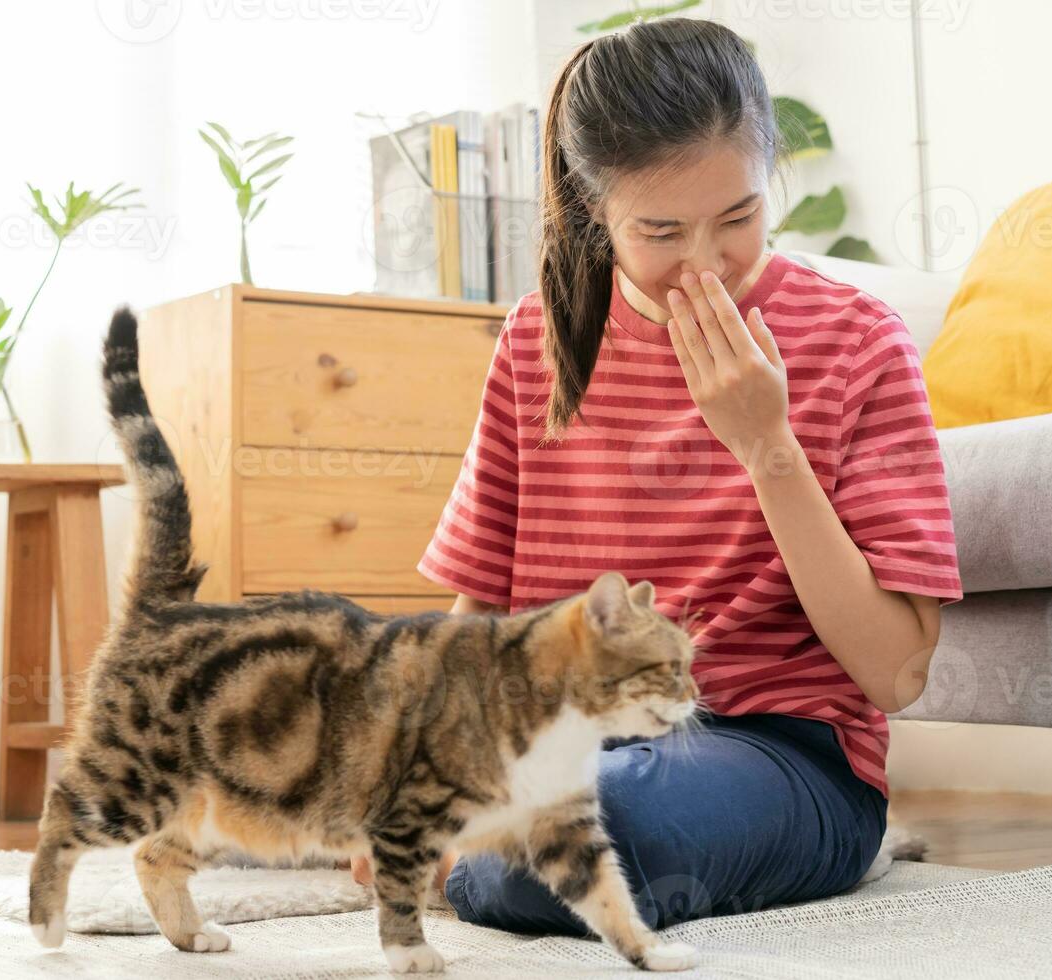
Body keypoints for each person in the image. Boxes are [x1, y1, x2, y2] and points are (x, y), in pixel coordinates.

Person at [354, 16, 964, 934]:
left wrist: (769, 447)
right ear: (595, 211)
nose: (708, 265)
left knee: (594, 831)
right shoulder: (538, 342)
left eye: (739, 218)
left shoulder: (859, 340)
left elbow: (896, 673)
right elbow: (479, 613)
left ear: (770, 182)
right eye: (661, 231)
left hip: (780, 751)